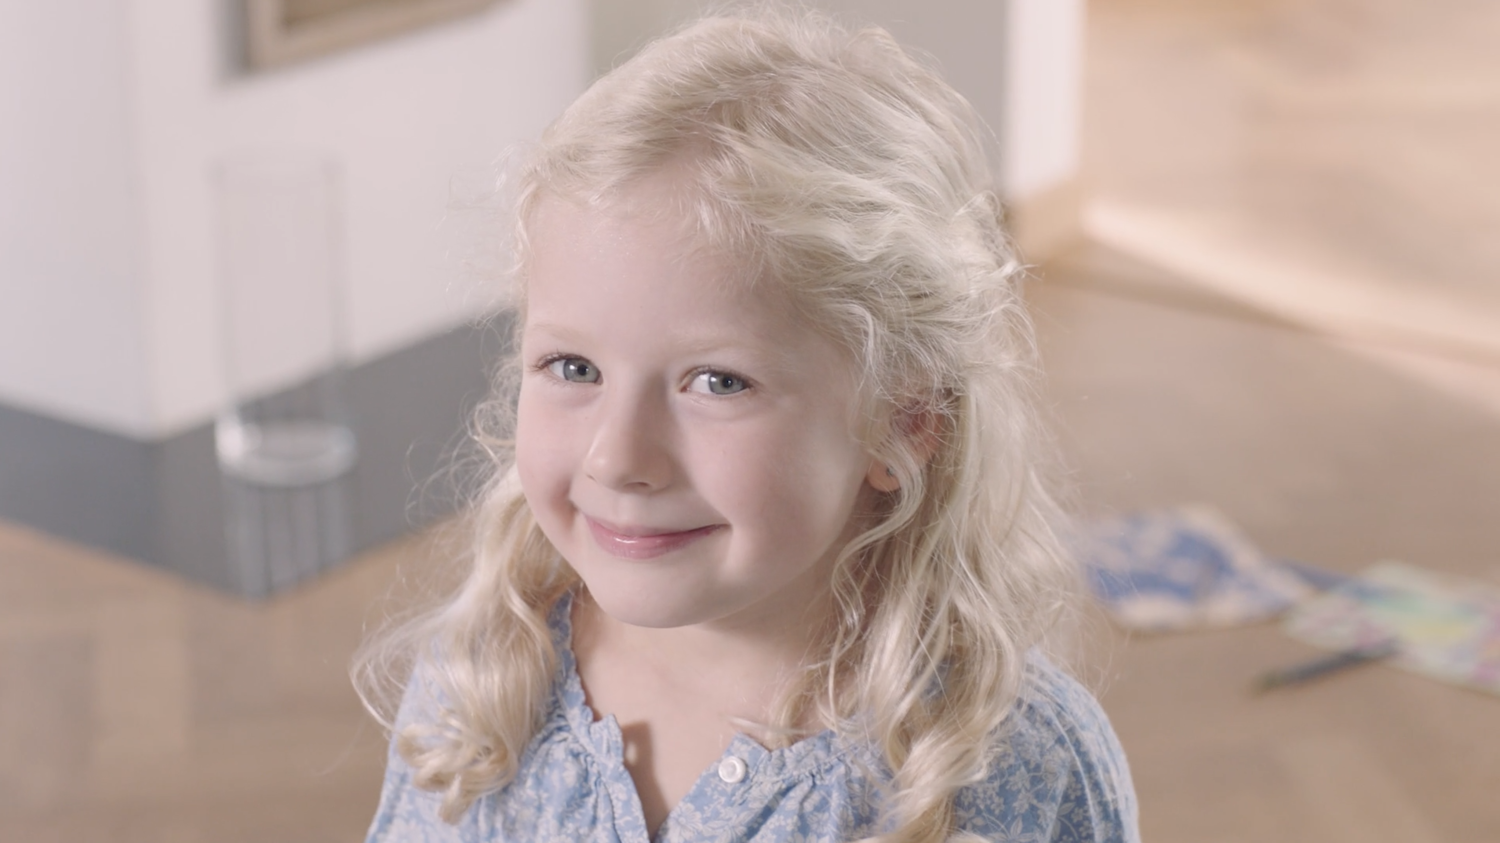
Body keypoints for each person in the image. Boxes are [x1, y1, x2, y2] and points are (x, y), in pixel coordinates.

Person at [354, 7, 1139, 842]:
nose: (618, 456)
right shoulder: (481, 683)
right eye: (574, 368)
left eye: (718, 382)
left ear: (906, 419)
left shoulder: (1009, 765)